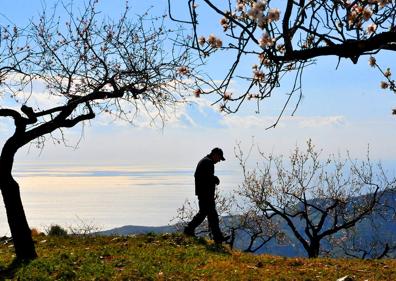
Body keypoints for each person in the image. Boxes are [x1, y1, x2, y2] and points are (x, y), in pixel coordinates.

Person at [184, 147, 229, 243]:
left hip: (204, 193)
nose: (219, 161)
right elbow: (206, 178)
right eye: (219, 158)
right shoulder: (207, 162)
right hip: (206, 194)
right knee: (211, 216)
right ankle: (189, 230)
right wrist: (215, 179)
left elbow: (202, 176)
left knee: (208, 215)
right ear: (215, 155)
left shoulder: (205, 161)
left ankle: (217, 237)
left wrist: (213, 179)